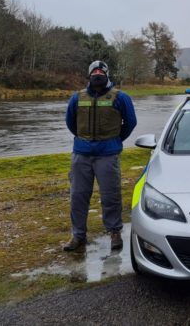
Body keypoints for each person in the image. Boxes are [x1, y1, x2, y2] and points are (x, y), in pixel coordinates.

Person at [63, 60, 137, 252]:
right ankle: (78, 235)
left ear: (107, 75)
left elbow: (130, 122)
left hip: (108, 155)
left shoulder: (121, 97)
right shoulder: (77, 97)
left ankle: (114, 232)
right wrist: (83, 140)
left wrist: (115, 140)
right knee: (78, 196)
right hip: (81, 155)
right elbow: (70, 123)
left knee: (111, 195)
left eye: (100, 72)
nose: (97, 75)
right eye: (94, 72)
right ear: (89, 75)